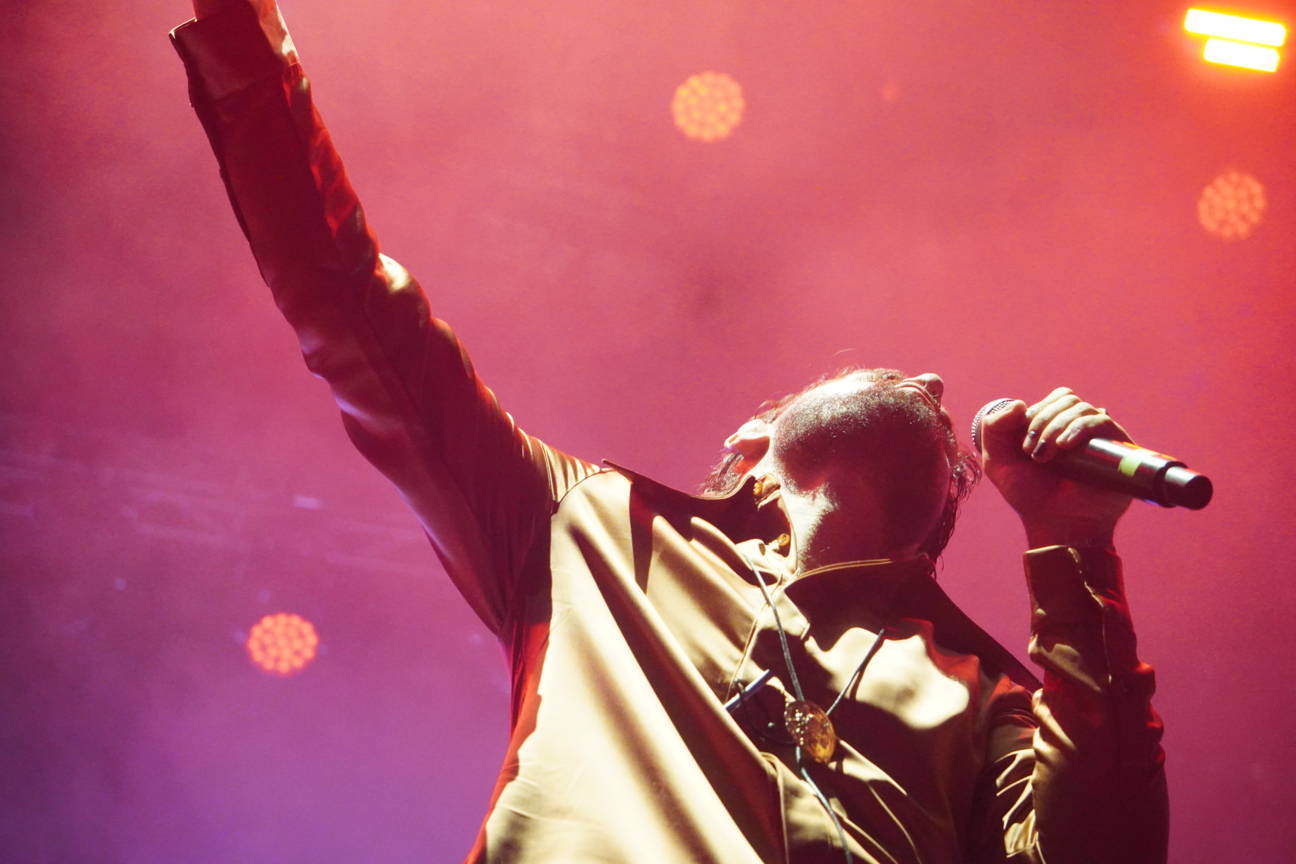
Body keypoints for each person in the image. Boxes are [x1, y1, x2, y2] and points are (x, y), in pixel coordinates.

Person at [170, 2, 1168, 861]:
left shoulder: (993, 701)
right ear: (752, 452)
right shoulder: (587, 528)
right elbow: (348, 300)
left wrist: (1074, 544)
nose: (932, 381)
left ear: (947, 499)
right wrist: (244, 36)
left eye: (936, 413)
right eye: (859, 374)